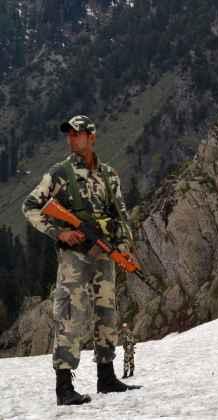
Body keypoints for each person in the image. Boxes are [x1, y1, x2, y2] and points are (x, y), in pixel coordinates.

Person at [23, 115, 141, 406]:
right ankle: (64, 387)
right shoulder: (59, 173)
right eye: (69, 135)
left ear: (91, 137)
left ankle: (107, 377)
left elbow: (121, 216)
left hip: (104, 253)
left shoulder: (108, 175)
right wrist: (58, 232)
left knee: (107, 312)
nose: (71, 139)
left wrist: (124, 247)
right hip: (74, 257)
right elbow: (30, 206)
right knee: (70, 316)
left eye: (77, 134)